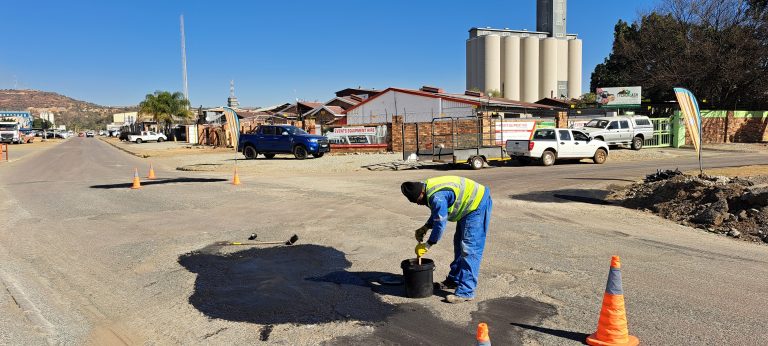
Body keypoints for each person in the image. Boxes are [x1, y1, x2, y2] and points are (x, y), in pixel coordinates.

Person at [400, 176, 492, 304]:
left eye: (418, 201)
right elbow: (438, 212)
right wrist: (426, 227)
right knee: (459, 245)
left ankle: (466, 292)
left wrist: (428, 244)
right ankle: (454, 280)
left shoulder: (436, 197)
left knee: (470, 249)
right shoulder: (427, 187)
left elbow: (440, 223)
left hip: (477, 204)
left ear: (421, 193)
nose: (419, 204)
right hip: (467, 206)